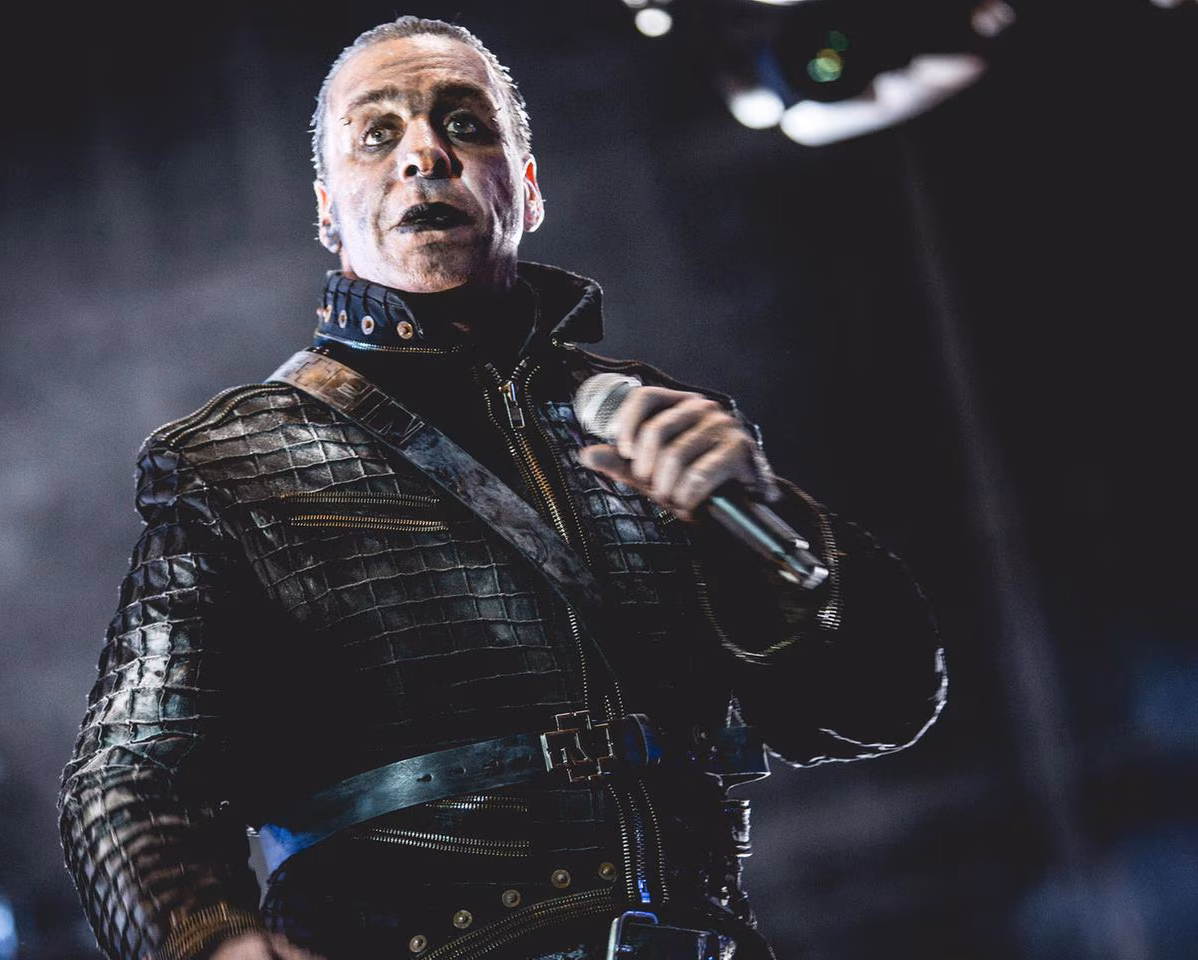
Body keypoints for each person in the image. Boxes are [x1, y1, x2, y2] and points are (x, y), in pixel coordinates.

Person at [57, 15, 946, 960]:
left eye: (465, 124)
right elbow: (129, 781)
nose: (424, 154)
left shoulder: (659, 423)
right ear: (326, 211)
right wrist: (208, 942)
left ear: (526, 187)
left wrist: (768, 526)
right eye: (377, 134)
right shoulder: (235, 462)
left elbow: (882, 705)